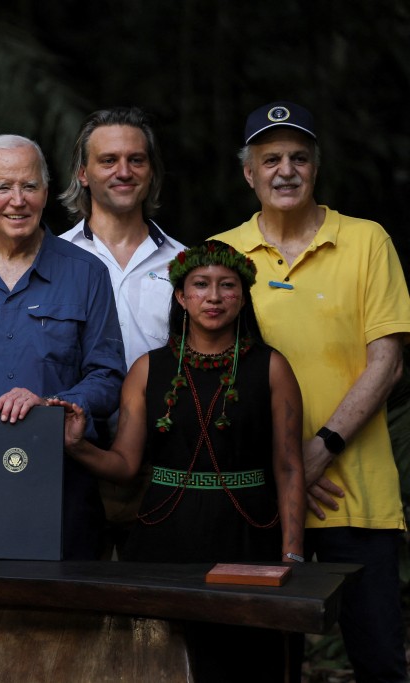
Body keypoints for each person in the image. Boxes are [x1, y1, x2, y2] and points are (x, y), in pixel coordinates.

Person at [215, 101, 410, 683]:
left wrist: (319, 449)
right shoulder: (222, 253)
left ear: (316, 168)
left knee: (378, 658)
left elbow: (388, 361)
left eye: (299, 157)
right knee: (266, 665)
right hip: (261, 497)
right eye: (269, 158)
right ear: (248, 173)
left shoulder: (366, 240)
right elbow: (212, 374)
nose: (285, 170)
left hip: (358, 493)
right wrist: (283, 468)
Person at [56, 240, 305, 682]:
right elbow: (125, 465)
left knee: (246, 661)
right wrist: (78, 446)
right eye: (200, 285)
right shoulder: (148, 369)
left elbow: (288, 466)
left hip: (248, 534)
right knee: (160, 660)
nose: (213, 297)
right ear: (180, 296)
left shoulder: (271, 367)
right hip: (163, 537)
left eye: (227, 285)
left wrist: (292, 553)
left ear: (242, 295)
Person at [0, 134, 126, 558]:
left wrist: (54, 404)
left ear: (46, 193)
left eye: (29, 186)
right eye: (3, 187)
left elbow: (107, 376)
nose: (18, 200)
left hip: (63, 478)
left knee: (70, 613)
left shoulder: (86, 273)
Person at [59, 106, 187, 558]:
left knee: (158, 606)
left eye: (137, 160)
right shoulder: (52, 262)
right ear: (84, 173)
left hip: (164, 462)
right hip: (69, 457)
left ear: (152, 173)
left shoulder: (185, 265)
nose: (124, 171)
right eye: (108, 160)